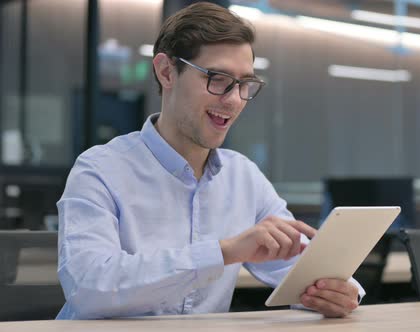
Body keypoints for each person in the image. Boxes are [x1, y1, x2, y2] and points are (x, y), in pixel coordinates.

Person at [56, 2, 364, 320]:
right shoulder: (99, 170)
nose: (232, 100)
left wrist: (340, 291)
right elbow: (89, 289)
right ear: (166, 72)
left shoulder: (243, 177)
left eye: (245, 83)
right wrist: (225, 251)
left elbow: (303, 266)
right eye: (217, 78)